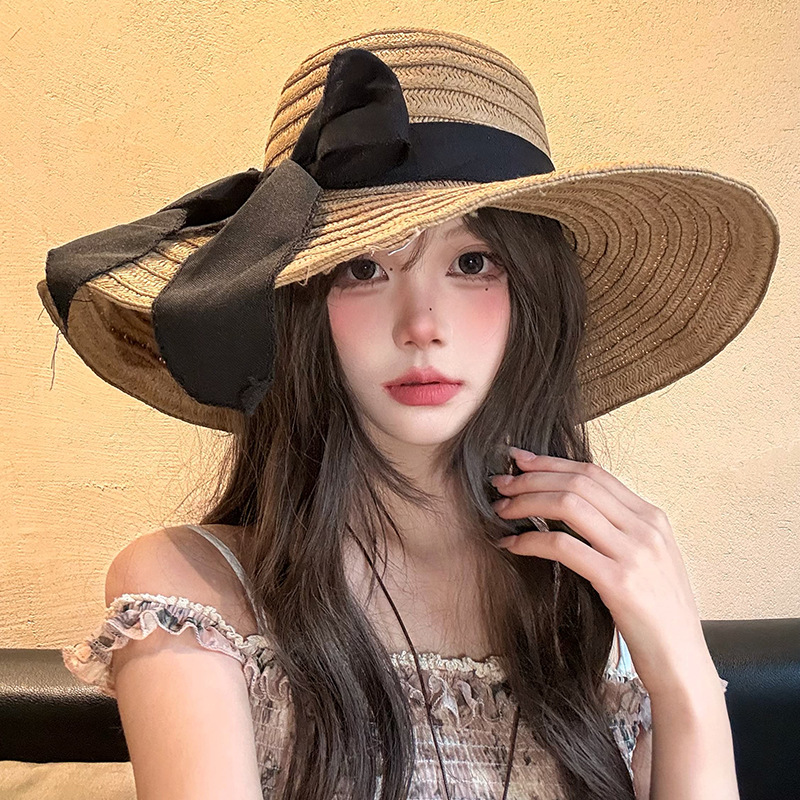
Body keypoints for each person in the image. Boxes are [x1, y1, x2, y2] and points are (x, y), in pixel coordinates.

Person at [41, 25, 778, 800]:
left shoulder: (599, 594)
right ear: (296, 310)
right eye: (362, 268)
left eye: (473, 262)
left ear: (533, 297)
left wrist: (686, 678)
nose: (422, 326)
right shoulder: (192, 593)